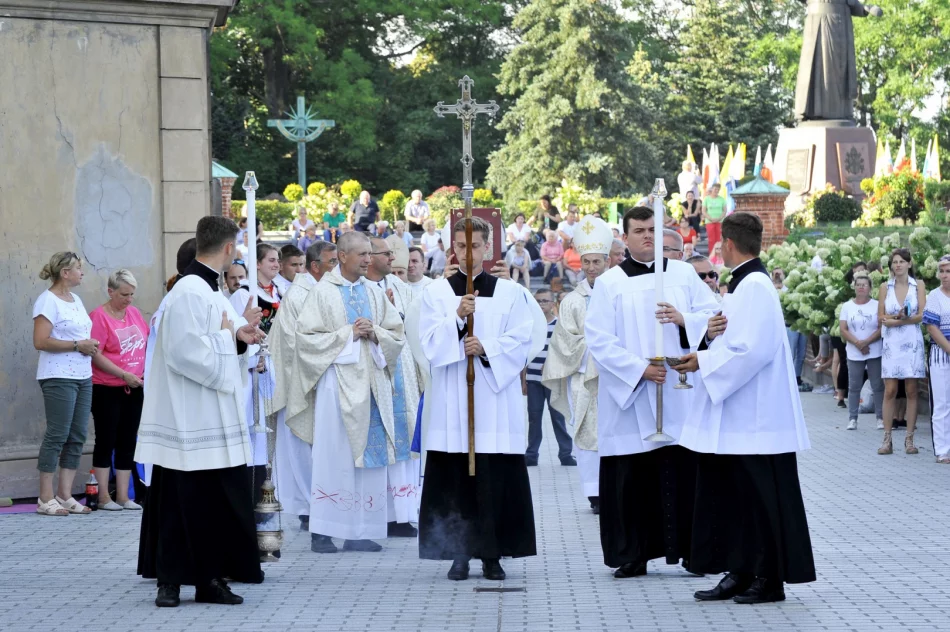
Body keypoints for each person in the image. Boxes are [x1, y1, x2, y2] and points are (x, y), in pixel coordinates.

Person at [674, 212, 815, 605]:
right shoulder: (744, 285)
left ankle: (769, 579)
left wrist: (702, 362)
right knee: (737, 499)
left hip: (757, 420)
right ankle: (740, 571)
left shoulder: (755, 286)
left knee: (759, 502)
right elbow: (730, 337)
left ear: (728, 246)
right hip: (740, 417)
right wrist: (704, 346)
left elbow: (751, 350)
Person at [585, 206, 720, 579]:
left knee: (686, 471)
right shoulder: (610, 282)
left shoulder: (683, 275)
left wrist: (684, 323)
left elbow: (712, 318)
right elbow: (598, 338)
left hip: (679, 391)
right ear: (624, 238)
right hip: (630, 395)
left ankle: (695, 551)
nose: (647, 236)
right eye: (639, 231)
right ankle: (633, 553)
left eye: (652, 230)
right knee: (631, 477)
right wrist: (640, 369)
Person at [136, 216, 264, 608]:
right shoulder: (190, 291)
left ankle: (208, 580)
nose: (238, 253)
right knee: (179, 506)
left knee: (208, 506)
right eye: (238, 247)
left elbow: (218, 340)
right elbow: (185, 353)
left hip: (207, 417)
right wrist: (230, 338)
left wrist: (240, 338)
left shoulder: (209, 290)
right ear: (227, 249)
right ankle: (171, 582)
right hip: (188, 420)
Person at [417, 216, 537, 581]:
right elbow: (426, 344)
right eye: (462, 246)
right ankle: (458, 552)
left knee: (493, 478)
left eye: (476, 246)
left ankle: (492, 553)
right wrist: (456, 318)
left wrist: (487, 347)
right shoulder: (435, 294)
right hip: (453, 402)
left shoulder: (511, 293)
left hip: (495, 402)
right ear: (453, 248)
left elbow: (527, 339)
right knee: (455, 478)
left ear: (488, 249)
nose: (469, 253)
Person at [288, 231, 405, 553]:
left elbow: (396, 332)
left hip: (371, 385)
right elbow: (306, 340)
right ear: (342, 256)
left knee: (367, 456)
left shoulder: (374, 290)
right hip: (335, 385)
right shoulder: (323, 293)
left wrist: (376, 332)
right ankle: (322, 531)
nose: (369, 259)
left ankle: (360, 530)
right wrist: (348, 334)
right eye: (362, 254)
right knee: (334, 457)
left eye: (370, 253)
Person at [542, 216, 613, 514]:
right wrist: (598, 346)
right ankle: (594, 493)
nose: (592, 268)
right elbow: (563, 342)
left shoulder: (617, 293)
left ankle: (615, 488)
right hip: (584, 377)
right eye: (587, 262)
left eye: (597, 261)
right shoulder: (572, 300)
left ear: (607, 261)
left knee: (613, 433)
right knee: (586, 433)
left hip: (613, 377)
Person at [267, 241, 337, 536]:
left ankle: (319, 508)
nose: (337, 266)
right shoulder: (301, 295)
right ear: (315, 266)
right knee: (303, 450)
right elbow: (302, 344)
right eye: (332, 261)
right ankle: (310, 510)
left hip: (317, 381)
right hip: (301, 384)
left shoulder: (322, 290)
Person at [364, 236, 424, 538]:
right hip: (375, 375)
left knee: (404, 442)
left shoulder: (403, 290)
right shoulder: (357, 289)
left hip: (404, 374)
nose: (392, 259)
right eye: (385, 253)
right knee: (378, 443)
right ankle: (380, 514)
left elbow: (415, 329)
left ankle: (403, 514)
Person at [32, 252, 98, 516]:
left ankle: (65, 494)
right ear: (64, 273)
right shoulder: (47, 301)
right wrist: (76, 345)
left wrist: (87, 346)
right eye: (78, 268)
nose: (82, 272)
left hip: (83, 374)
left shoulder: (76, 299)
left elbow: (82, 335)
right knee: (57, 434)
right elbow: (40, 341)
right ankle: (45, 498)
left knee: (78, 435)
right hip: (58, 375)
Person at [89, 269, 148, 511]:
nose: (129, 299)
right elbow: (95, 354)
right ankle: (103, 497)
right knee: (106, 439)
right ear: (110, 291)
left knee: (127, 441)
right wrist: (123, 374)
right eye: (124, 294)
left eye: (132, 294)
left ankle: (124, 496)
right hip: (107, 387)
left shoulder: (133, 313)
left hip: (134, 387)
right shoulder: (99, 317)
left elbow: (146, 342)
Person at [878, 248, 927, 455]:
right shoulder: (884, 286)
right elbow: (881, 318)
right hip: (891, 344)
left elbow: (921, 315)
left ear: (909, 264)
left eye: (901, 261)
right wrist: (899, 318)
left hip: (912, 341)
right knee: (890, 390)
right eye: (894, 262)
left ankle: (909, 439)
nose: (897, 265)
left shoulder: (919, 285)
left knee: (911, 390)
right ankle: (887, 439)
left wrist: (897, 319)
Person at [525, 288, 575, 467]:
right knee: (534, 417)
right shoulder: (530, 326)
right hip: (533, 380)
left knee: (558, 418)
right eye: (538, 301)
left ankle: (566, 453)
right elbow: (525, 354)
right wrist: (523, 379)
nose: (541, 304)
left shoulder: (559, 326)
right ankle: (531, 454)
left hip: (554, 380)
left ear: (553, 304)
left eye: (545, 301)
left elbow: (564, 352)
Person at [839, 273, 884, 431]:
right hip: (854, 351)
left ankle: (880, 418)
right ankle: (852, 418)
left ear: (870, 288)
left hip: (874, 350)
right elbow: (843, 329)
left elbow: (881, 327)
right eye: (859, 284)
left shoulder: (877, 305)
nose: (861, 287)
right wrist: (858, 343)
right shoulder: (847, 306)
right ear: (854, 286)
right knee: (854, 386)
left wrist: (866, 342)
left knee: (877, 385)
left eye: (865, 285)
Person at [923, 255, 950, 464]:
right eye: (942, 271)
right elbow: (932, 326)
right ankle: (942, 450)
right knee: (941, 404)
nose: (944, 275)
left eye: (948, 271)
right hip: (941, 356)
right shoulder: (934, 296)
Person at [703, 184, 726, 253]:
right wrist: (710, 218)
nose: (716, 191)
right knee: (711, 239)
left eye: (718, 189)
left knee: (719, 238)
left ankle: (720, 255)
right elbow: (703, 211)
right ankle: (712, 255)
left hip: (719, 221)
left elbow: (724, 210)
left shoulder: (722, 199)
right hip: (710, 222)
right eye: (715, 189)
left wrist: (719, 218)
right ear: (712, 189)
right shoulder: (706, 199)